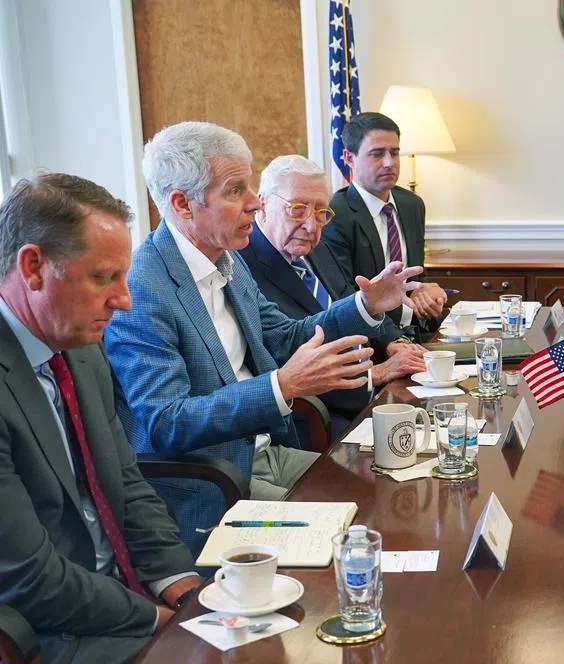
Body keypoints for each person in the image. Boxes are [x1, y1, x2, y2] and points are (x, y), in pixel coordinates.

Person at [103, 122, 421, 550]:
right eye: (235, 190)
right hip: (211, 483)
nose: (255, 203)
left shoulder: (229, 261)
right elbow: (166, 423)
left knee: (390, 493)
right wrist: (282, 386)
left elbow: (286, 336)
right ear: (182, 204)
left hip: (266, 452)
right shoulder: (144, 287)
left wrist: (366, 305)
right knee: (358, 531)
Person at [0, 174, 200, 664]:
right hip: (45, 636)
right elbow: (29, 579)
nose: (124, 300)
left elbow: (127, 486)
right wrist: (157, 620)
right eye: (103, 278)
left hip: (120, 594)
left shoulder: (81, 349)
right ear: (33, 267)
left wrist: (183, 587)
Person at [238, 154, 425, 434]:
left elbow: (353, 300)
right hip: (323, 416)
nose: (311, 226)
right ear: (262, 204)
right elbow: (281, 357)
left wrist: (393, 342)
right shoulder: (242, 264)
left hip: (375, 389)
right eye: (297, 209)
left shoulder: (317, 248)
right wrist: (375, 374)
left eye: (320, 212)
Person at [322, 112, 447, 340]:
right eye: (377, 154)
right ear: (349, 158)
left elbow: (415, 276)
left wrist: (426, 293)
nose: (389, 163)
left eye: (395, 153)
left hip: (418, 332)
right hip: (372, 341)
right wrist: (398, 328)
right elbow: (345, 297)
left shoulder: (412, 204)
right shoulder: (335, 214)